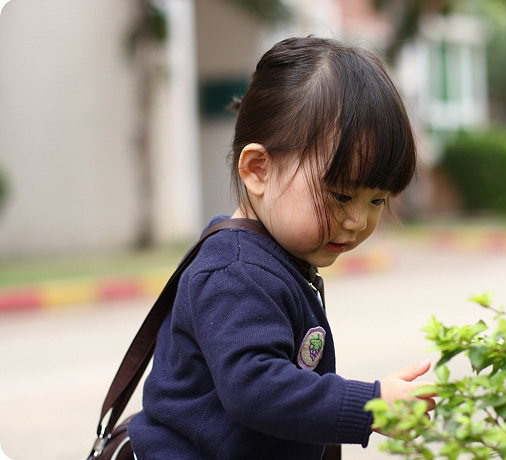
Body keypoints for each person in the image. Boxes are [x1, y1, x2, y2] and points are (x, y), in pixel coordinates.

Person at [128, 36, 435, 459]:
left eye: (377, 200)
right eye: (342, 196)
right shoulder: (236, 272)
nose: (358, 220)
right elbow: (256, 388)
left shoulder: (271, 260)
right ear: (258, 170)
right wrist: (372, 405)